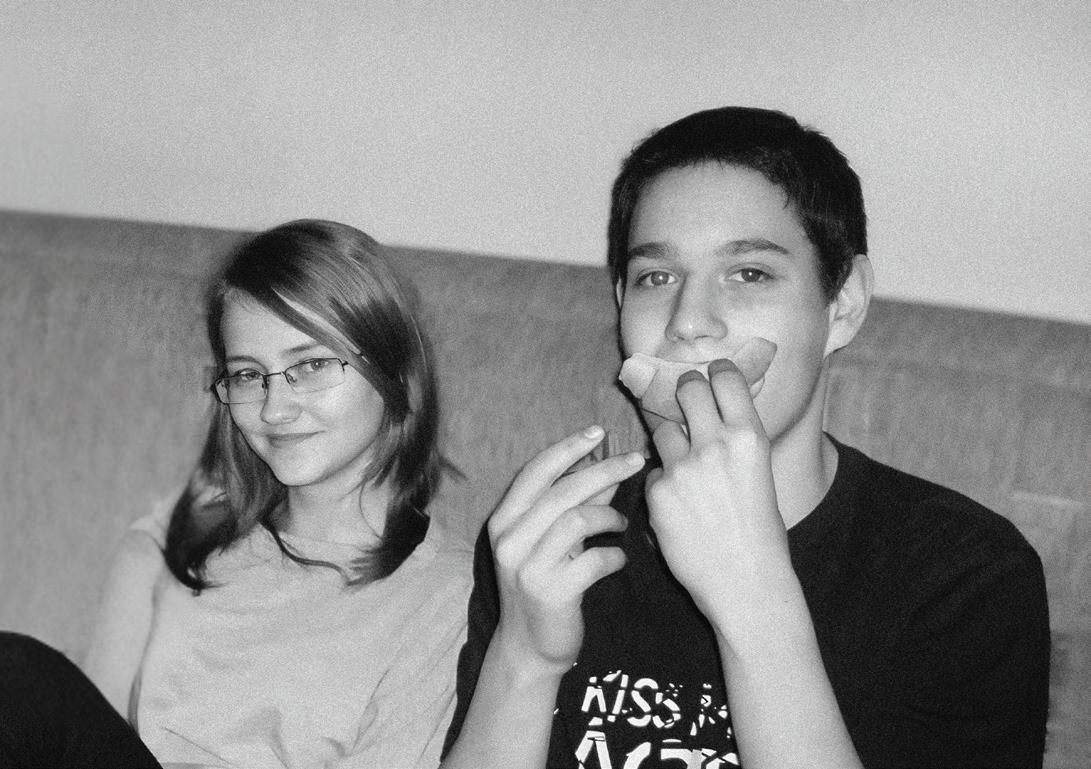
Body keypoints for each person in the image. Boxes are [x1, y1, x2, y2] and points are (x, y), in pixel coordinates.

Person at [440, 107, 1050, 768]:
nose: (689, 321)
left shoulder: (965, 577)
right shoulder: (554, 543)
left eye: (749, 273)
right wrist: (525, 658)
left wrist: (754, 601)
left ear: (843, 303)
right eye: (655, 278)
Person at [1, 220, 471, 768]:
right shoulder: (187, 534)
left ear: (393, 367)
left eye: (311, 365)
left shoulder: (446, 595)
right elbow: (88, 731)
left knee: (20, 671)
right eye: (248, 375)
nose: (274, 408)